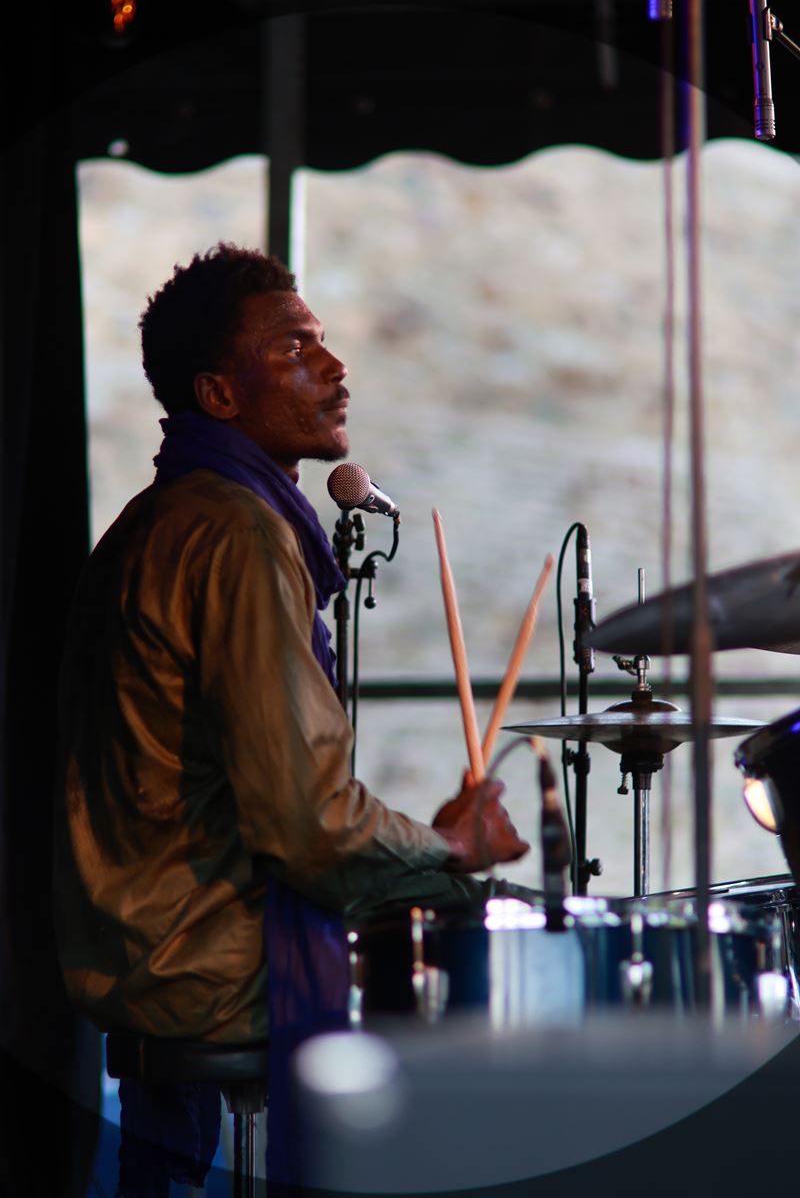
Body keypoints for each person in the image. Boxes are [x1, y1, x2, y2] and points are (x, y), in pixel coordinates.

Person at [52, 242, 530, 1191]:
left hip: (140, 953)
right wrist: (449, 848)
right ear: (219, 395)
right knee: (485, 944)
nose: (334, 366)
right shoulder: (236, 532)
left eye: (322, 341)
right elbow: (306, 821)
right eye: (294, 348)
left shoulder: (156, 517)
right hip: (208, 965)